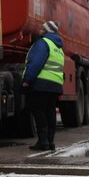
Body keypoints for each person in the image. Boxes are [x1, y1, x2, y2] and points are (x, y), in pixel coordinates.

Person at [22, 20, 65, 151]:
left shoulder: (42, 43)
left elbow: (36, 62)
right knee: (50, 112)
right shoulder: (58, 48)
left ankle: (43, 141)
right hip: (55, 85)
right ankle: (50, 142)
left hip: (41, 84)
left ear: (46, 31)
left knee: (38, 110)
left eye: (42, 28)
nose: (39, 29)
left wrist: (27, 80)